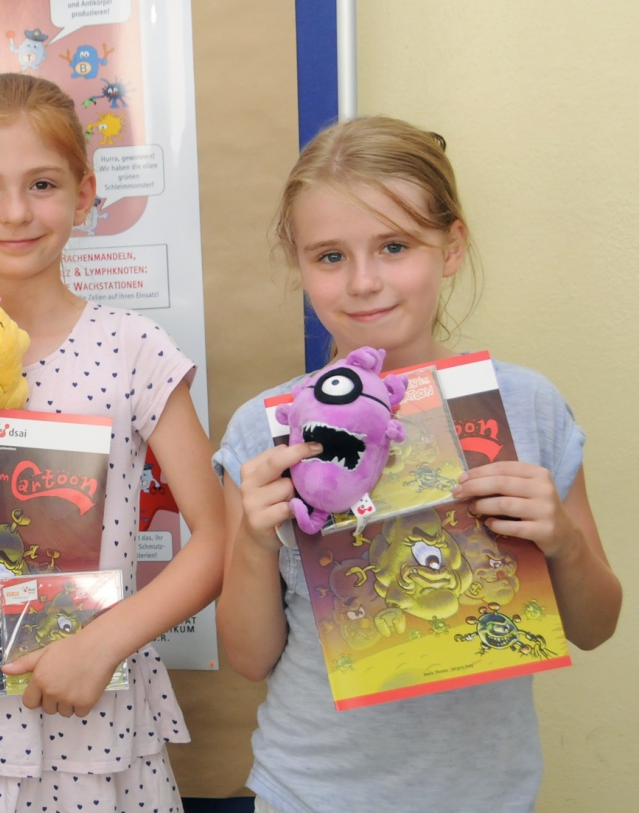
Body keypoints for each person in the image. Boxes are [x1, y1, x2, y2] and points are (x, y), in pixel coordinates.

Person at [215, 116, 622, 813]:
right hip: (309, 792)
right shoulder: (267, 430)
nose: (363, 281)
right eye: (329, 256)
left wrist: (562, 538)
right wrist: (253, 543)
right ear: (300, 265)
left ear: (451, 247)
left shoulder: (526, 406)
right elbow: (249, 660)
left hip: (487, 795)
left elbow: (595, 626)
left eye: (394, 246)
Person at [0, 73, 227, 812]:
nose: (15, 212)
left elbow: (217, 540)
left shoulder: (132, 348)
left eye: (42, 184)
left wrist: (101, 643)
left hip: (95, 715)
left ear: (84, 194)